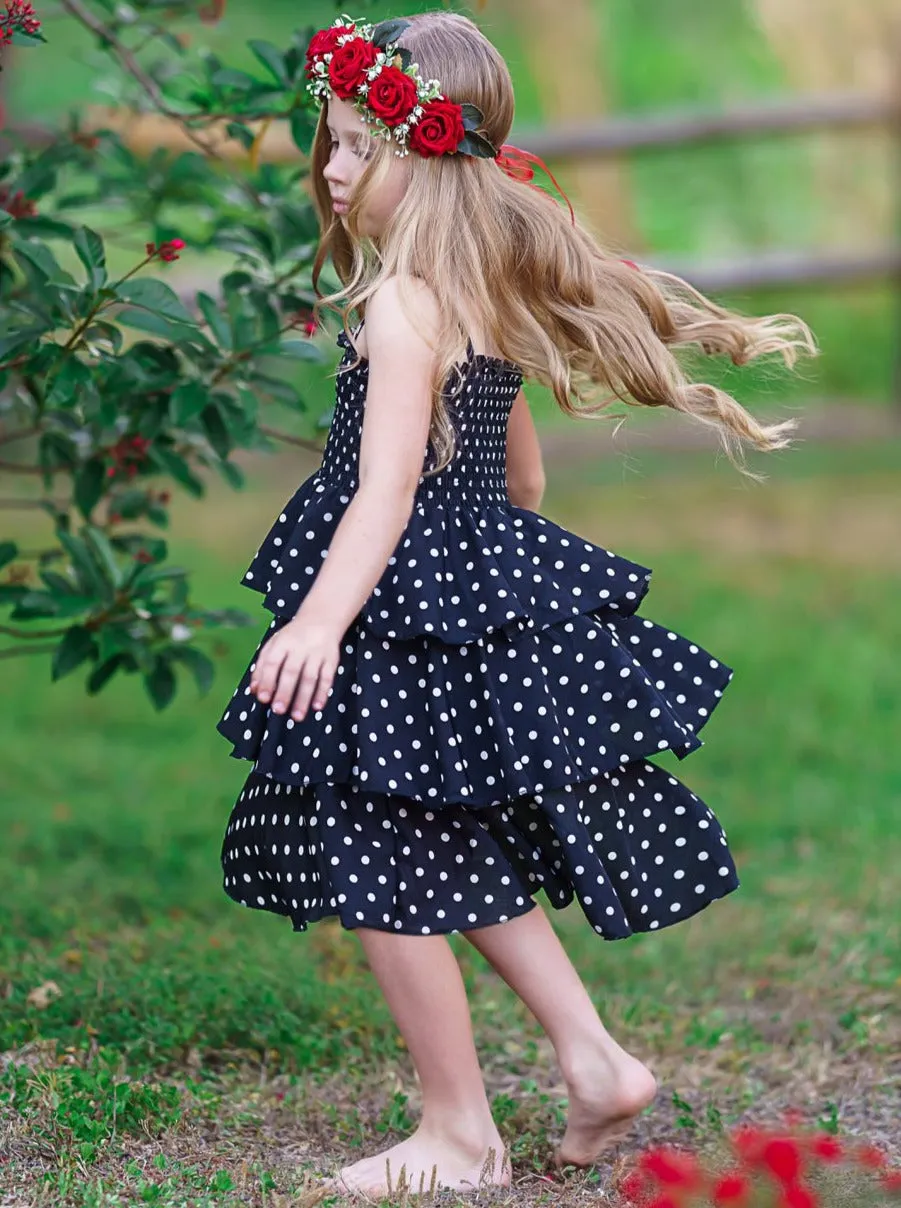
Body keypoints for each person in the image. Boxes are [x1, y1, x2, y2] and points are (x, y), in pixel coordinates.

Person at [216, 10, 816, 1199]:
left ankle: (459, 1133)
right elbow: (519, 478)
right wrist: (491, 586)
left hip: (394, 606)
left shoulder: (401, 306)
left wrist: (321, 620)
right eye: (326, 142)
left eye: (354, 147)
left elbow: (385, 488)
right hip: (460, 595)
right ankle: (594, 1062)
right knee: (435, 838)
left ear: (426, 155)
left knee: (373, 855)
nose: (332, 170)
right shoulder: (475, 285)